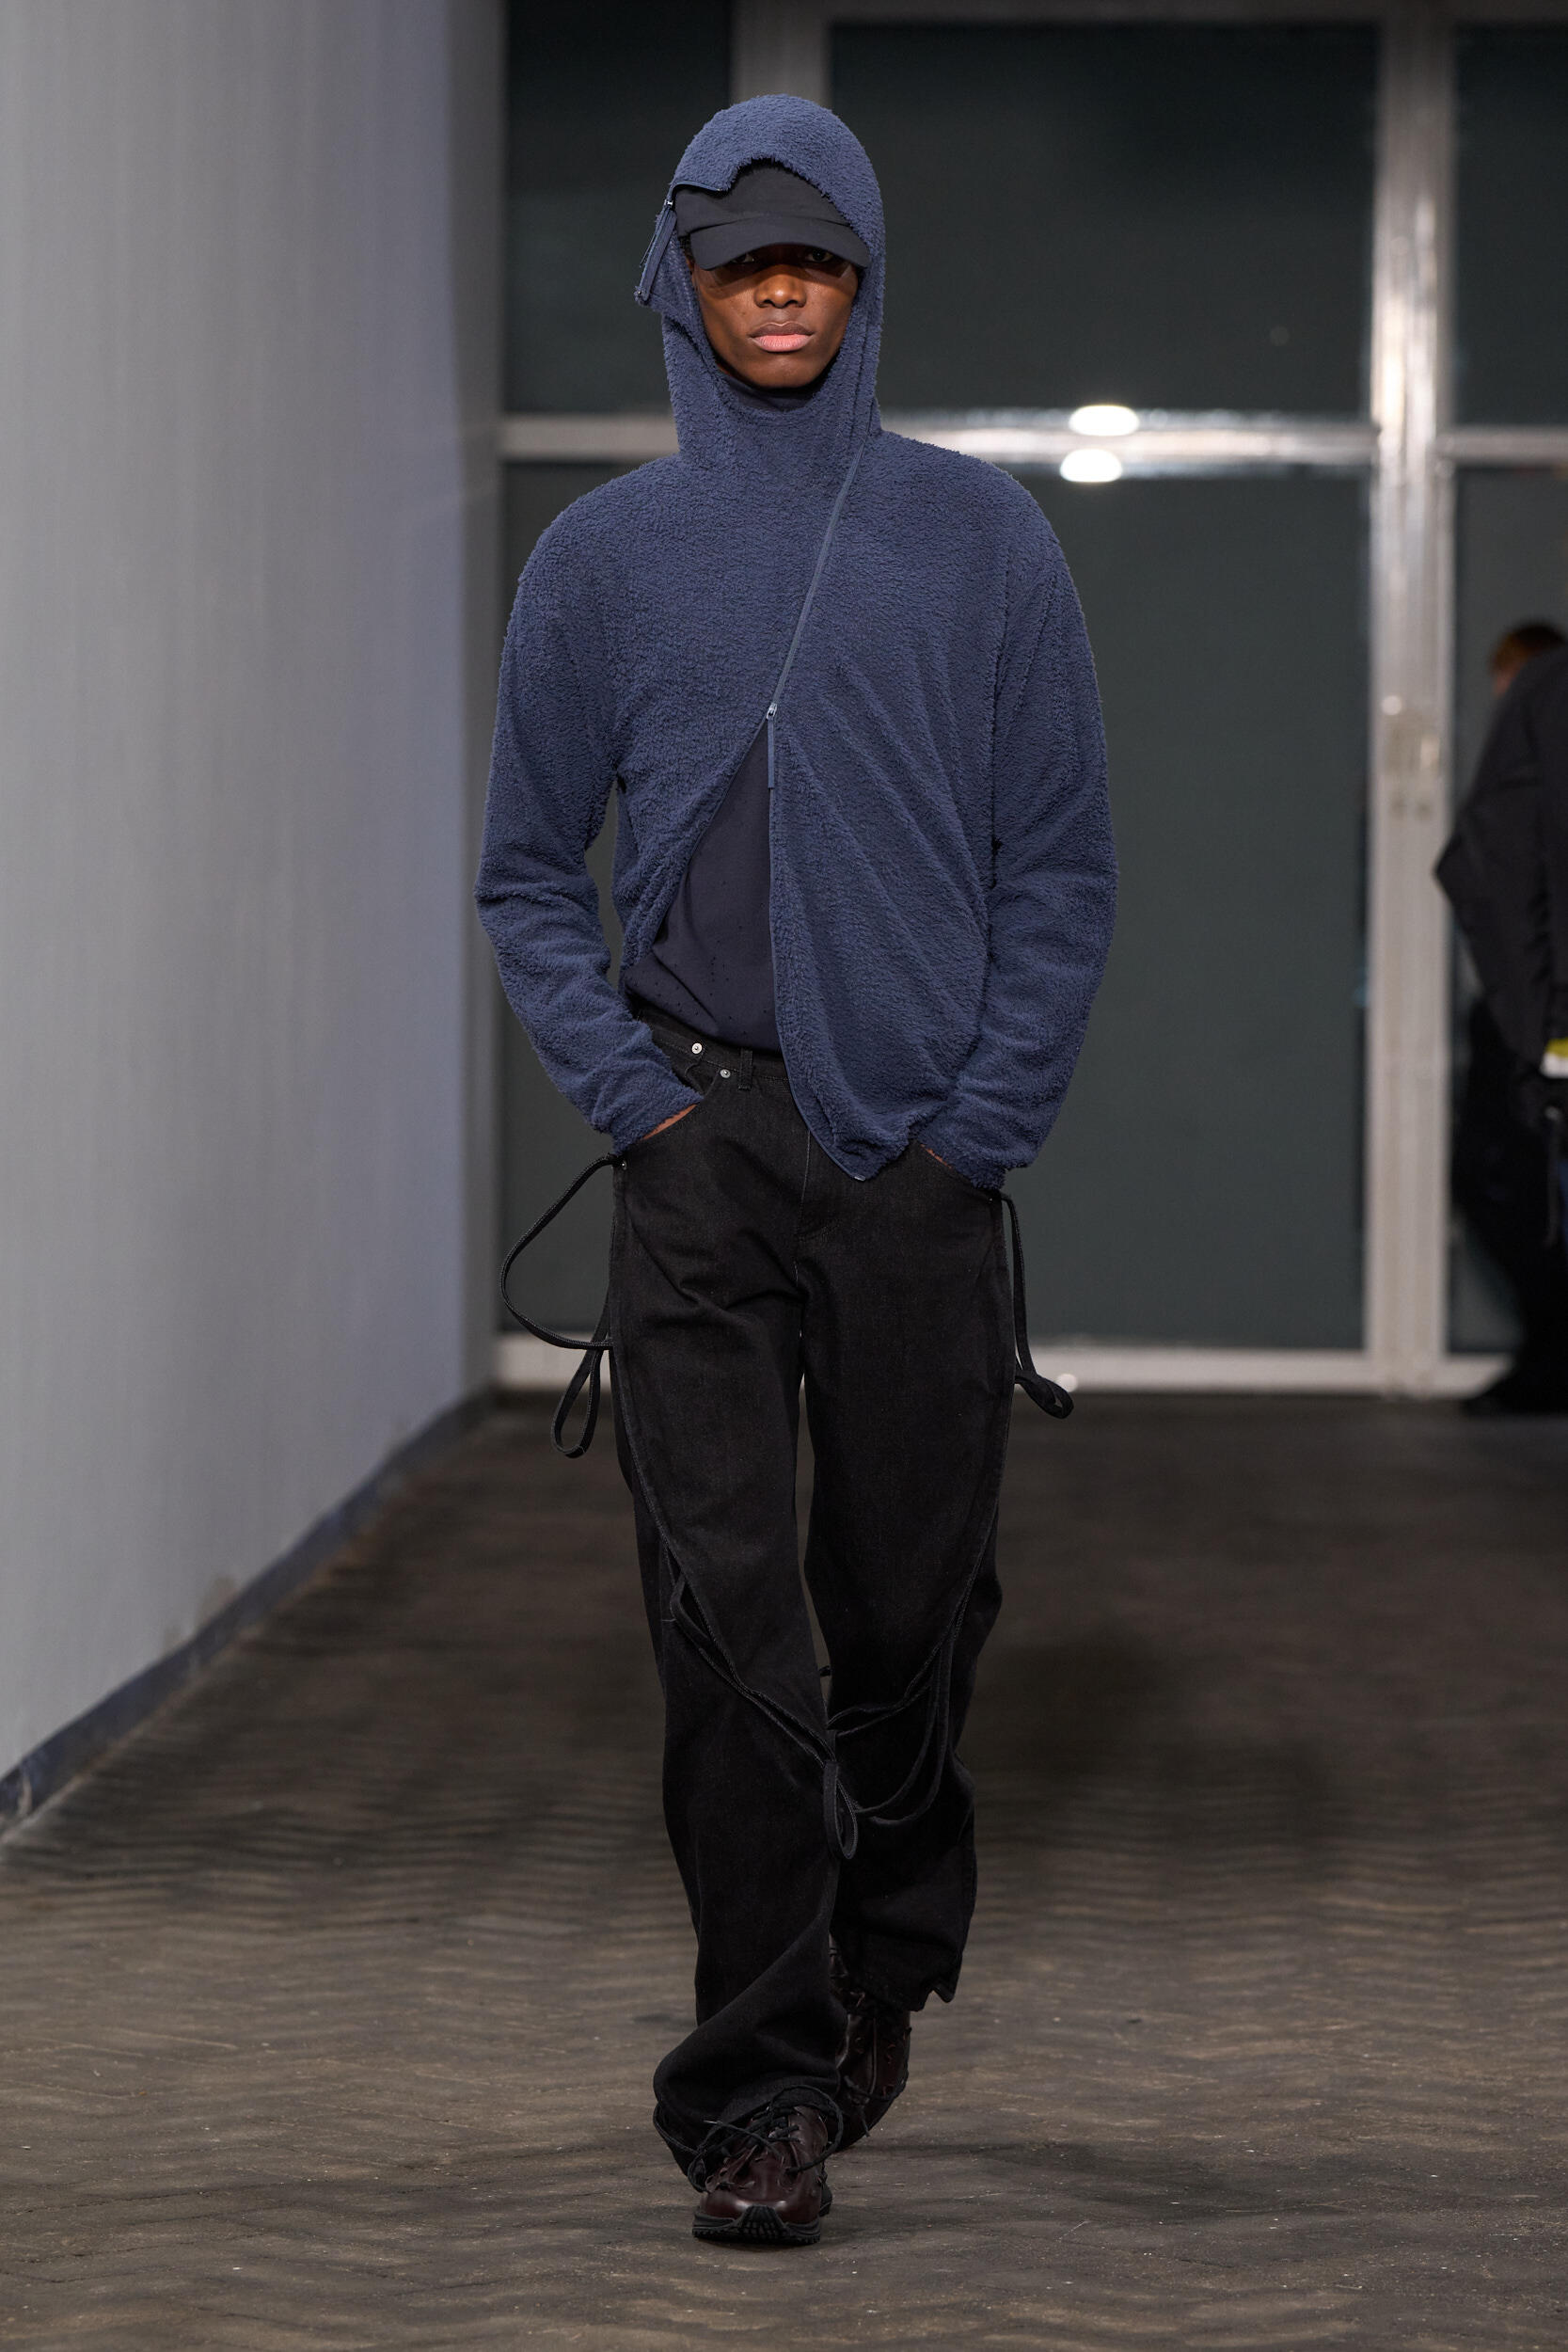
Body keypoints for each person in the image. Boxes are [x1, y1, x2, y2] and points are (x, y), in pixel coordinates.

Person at [477, 95, 1114, 2245]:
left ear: (861, 279)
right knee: (723, 1620)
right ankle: (755, 2087)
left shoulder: (979, 541)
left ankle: (885, 1944)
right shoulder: (601, 563)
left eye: (813, 257)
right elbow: (522, 874)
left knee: (903, 1610)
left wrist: (975, 1133)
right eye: (740, 255)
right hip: (695, 1151)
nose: (777, 288)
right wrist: (633, 1103)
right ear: (678, 278)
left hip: (915, 1159)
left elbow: (1061, 869)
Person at [1438, 621, 1568, 1414]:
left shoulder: (1538, 735)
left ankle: (1550, 1360)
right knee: (1506, 1185)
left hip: (1540, 1020)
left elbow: (1493, 876)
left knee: (1513, 1185)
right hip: (1527, 1015)